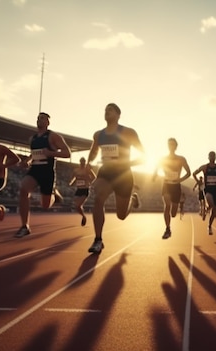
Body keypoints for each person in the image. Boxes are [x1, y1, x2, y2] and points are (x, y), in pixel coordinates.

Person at [86, 103, 145, 253]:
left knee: (121, 215)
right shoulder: (98, 135)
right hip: (105, 172)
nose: (106, 112)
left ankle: (133, 199)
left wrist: (127, 162)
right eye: (105, 110)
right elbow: (93, 152)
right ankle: (98, 240)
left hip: (123, 175)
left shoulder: (128, 133)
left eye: (110, 110)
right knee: (98, 198)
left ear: (118, 115)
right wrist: (88, 163)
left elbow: (144, 155)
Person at [15, 112, 72, 238]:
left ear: (48, 122)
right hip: (35, 169)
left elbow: (67, 153)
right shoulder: (33, 138)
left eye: (42, 119)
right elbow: (33, 154)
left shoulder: (53, 136)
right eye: (38, 119)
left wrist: (51, 153)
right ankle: (25, 226)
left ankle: (53, 193)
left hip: (47, 171)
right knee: (23, 190)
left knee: (45, 205)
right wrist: (27, 161)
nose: (39, 121)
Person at [153, 138, 191, 239]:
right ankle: (167, 229)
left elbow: (188, 173)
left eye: (173, 144)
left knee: (173, 213)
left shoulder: (181, 159)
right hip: (166, 185)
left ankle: (172, 216)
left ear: (176, 146)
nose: (171, 146)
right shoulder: (163, 159)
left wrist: (179, 180)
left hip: (176, 186)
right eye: (169, 144)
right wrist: (154, 175)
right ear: (167, 146)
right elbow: (156, 168)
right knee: (167, 205)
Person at [192, 151, 216, 235]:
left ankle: (209, 225)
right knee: (211, 203)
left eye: (214, 156)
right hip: (207, 189)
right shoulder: (204, 167)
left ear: (215, 157)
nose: (212, 157)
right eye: (211, 156)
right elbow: (194, 173)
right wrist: (198, 182)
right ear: (208, 157)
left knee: (214, 212)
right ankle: (207, 209)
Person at [69, 157, 95, 226]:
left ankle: (83, 217)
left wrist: (89, 181)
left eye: (84, 162)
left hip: (85, 189)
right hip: (78, 190)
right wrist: (71, 183)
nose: (82, 163)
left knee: (78, 205)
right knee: (77, 206)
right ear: (80, 162)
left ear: (85, 162)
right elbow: (73, 178)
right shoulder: (76, 170)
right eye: (81, 162)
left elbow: (94, 177)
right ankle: (83, 216)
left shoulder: (87, 170)